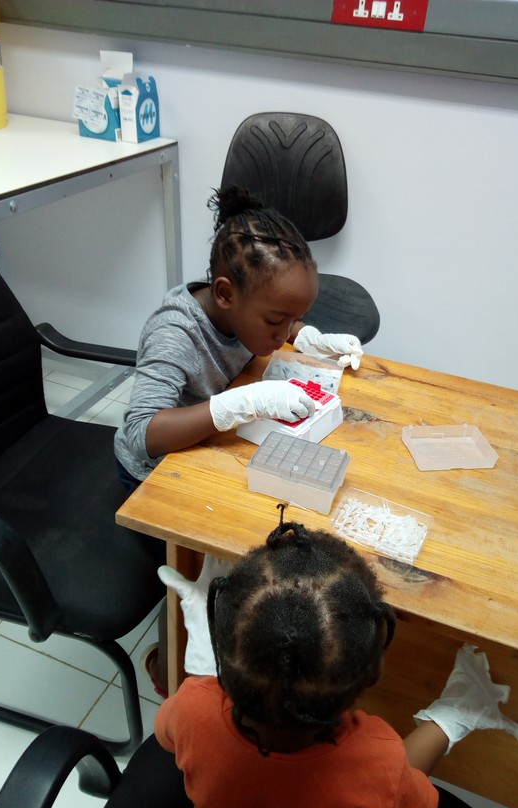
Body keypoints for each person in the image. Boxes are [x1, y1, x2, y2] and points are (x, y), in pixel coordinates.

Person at [114, 185, 364, 694]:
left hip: (206, 447)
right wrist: (236, 405)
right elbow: (142, 435)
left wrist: (307, 337)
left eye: (293, 318)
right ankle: (173, 662)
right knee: (228, 566)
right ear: (225, 294)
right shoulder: (175, 333)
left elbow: (274, 319)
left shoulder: (241, 308)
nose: (285, 330)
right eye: (278, 322)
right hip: (151, 474)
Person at [155, 507, 518, 808]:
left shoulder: (192, 706)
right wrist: (451, 719)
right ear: (373, 671)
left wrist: (206, 674)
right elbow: (415, 807)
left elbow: (167, 738)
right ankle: (459, 712)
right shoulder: (378, 757)